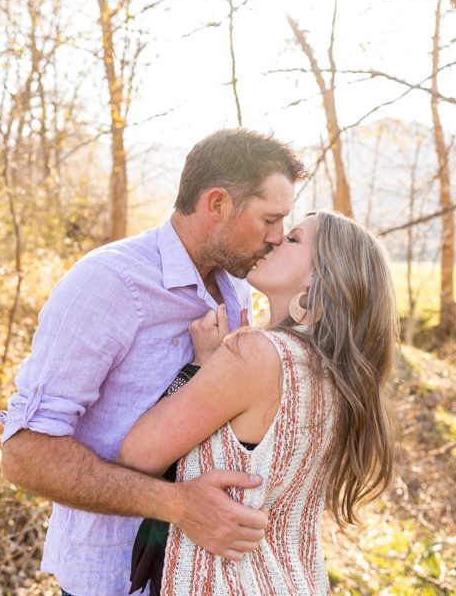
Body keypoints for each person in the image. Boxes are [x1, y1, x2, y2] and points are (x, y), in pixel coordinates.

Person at [0, 129, 307, 595]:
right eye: (269, 218)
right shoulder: (108, 284)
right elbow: (25, 455)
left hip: (205, 575)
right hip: (114, 578)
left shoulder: (239, 289)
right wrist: (178, 506)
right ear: (218, 203)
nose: (277, 237)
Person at [117, 210, 399, 594]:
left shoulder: (257, 355)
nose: (276, 239)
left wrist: (199, 366)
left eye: (295, 239)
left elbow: (137, 455)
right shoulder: (339, 375)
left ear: (320, 277)